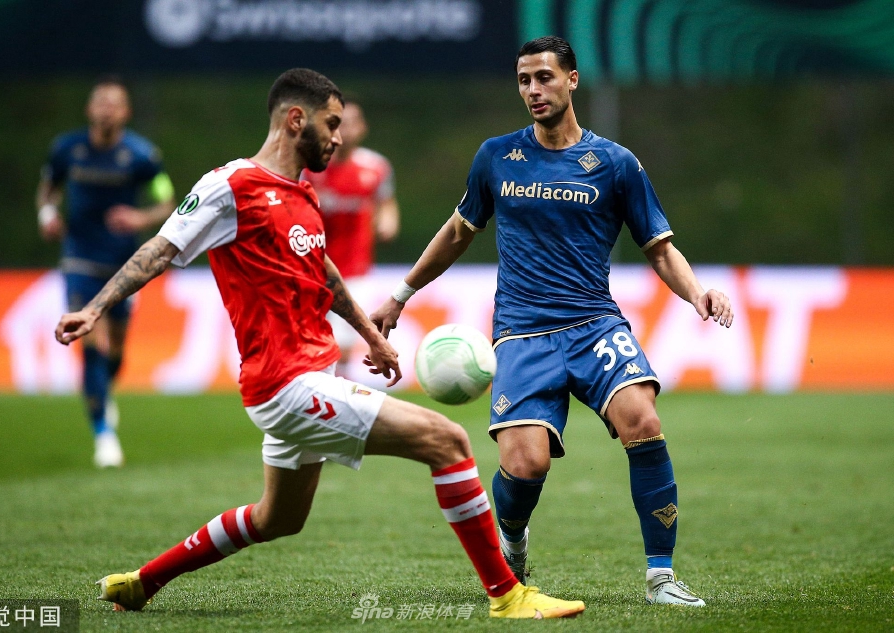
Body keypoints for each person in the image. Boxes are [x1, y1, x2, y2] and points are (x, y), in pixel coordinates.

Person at [54, 68, 585, 620]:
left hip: (311, 374)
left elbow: (323, 272)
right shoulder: (230, 187)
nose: (339, 135)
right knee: (447, 440)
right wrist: (95, 308)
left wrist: (371, 336)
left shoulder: (303, 193)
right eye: (331, 124)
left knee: (277, 518)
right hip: (283, 384)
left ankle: (143, 583)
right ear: (295, 119)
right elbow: (160, 249)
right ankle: (507, 594)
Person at [370, 37, 734, 607]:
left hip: (594, 324)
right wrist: (401, 295)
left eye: (544, 77)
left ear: (572, 79)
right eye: (524, 80)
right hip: (522, 332)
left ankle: (661, 576)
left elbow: (659, 248)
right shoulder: (497, 157)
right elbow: (459, 231)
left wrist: (697, 293)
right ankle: (513, 538)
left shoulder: (615, 163)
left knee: (642, 419)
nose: (533, 90)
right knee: (525, 465)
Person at [37, 76, 176, 468]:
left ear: (126, 112)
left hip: (123, 265)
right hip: (79, 259)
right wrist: (47, 214)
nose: (106, 110)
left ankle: (103, 393)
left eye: (114, 104)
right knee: (90, 342)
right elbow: (48, 189)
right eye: (100, 102)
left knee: (116, 351)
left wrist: (139, 217)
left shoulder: (142, 156)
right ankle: (103, 434)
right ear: (89, 109)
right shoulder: (67, 149)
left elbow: (166, 200)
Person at [302, 97, 399, 377]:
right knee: (313, 346)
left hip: (356, 271)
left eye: (351, 123)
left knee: (342, 348)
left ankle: (335, 396)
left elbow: (387, 203)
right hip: (312, 270)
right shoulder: (310, 168)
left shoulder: (376, 167)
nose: (345, 129)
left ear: (362, 127)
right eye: (338, 123)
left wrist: (388, 221)